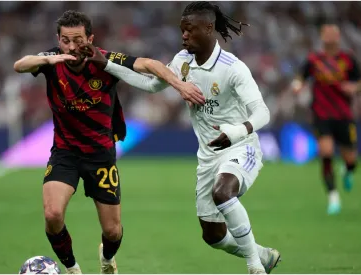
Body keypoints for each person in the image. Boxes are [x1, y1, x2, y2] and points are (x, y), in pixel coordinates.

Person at [80, 2, 281, 274]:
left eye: (189, 30)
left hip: (241, 147)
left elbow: (262, 113)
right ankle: (262, 255)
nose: (183, 35)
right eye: (181, 30)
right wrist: (107, 65)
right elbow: (151, 84)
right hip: (208, 157)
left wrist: (235, 131)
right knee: (212, 235)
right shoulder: (182, 62)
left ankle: (255, 267)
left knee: (223, 192)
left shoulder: (233, 68)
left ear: (208, 28)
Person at [13, 10, 205, 275]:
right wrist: (50, 58)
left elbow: (150, 65)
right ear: (58, 40)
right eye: (66, 40)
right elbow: (20, 65)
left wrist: (180, 86)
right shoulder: (50, 61)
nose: (72, 46)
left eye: (78, 39)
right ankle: (71, 269)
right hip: (65, 152)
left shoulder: (105, 60)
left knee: (112, 231)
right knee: (52, 215)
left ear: (90, 38)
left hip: (101, 156)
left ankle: (106, 259)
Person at [291, 24, 361, 215]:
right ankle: (333, 196)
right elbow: (300, 76)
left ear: (338, 37)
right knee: (326, 152)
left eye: (334, 34)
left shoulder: (348, 59)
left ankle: (348, 170)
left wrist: (355, 87)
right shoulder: (314, 59)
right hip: (321, 114)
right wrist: (297, 85)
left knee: (351, 159)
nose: (330, 37)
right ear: (322, 37)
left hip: (344, 115)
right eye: (327, 34)